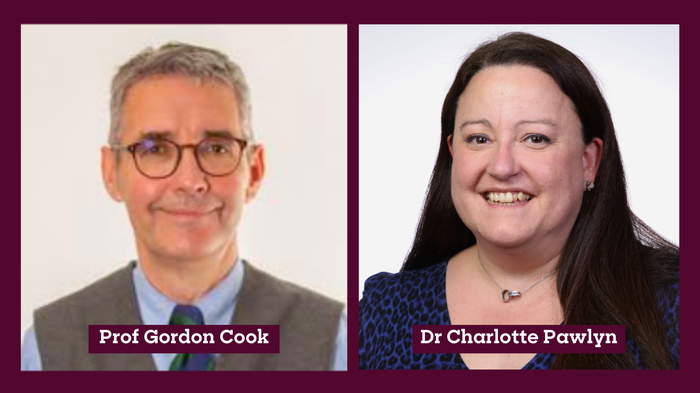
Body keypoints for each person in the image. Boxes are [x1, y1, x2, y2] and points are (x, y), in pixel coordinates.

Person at [359, 32, 679, 369]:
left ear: (589, 161)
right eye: (479, 138)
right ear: (453, 154)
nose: (502, 167)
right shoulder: (384, 310)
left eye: (535, 138)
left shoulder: (675, 302)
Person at [21, 42, 346, 371]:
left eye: (217, 148)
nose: (190, 181)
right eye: (155, 148)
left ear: (255, 171)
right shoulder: (47, 353)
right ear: (111, 172)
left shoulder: (336, 346)